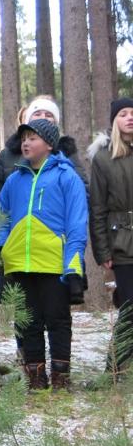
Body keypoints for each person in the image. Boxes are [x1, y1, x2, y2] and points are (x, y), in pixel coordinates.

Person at [0, 118, 88, 391]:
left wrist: (73, 266)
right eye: (24, 138)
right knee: (28, 323)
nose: (26, 143)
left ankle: (61, 379)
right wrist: (4, 251)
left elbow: (76, 224)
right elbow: (0, 218)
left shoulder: (66, 176)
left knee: (58, 321)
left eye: (33, 138)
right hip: (20, 265)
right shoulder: (14, 180)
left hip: (53, 264)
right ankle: (35, 380)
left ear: (49, 144)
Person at [88, 97, 133, 378]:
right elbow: (97, 209)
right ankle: (114, 369)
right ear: (114, 121)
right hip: (121, 243)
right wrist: (102, 250)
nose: (130, 117)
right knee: (129, 307)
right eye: (123, 114)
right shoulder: (103, 159)